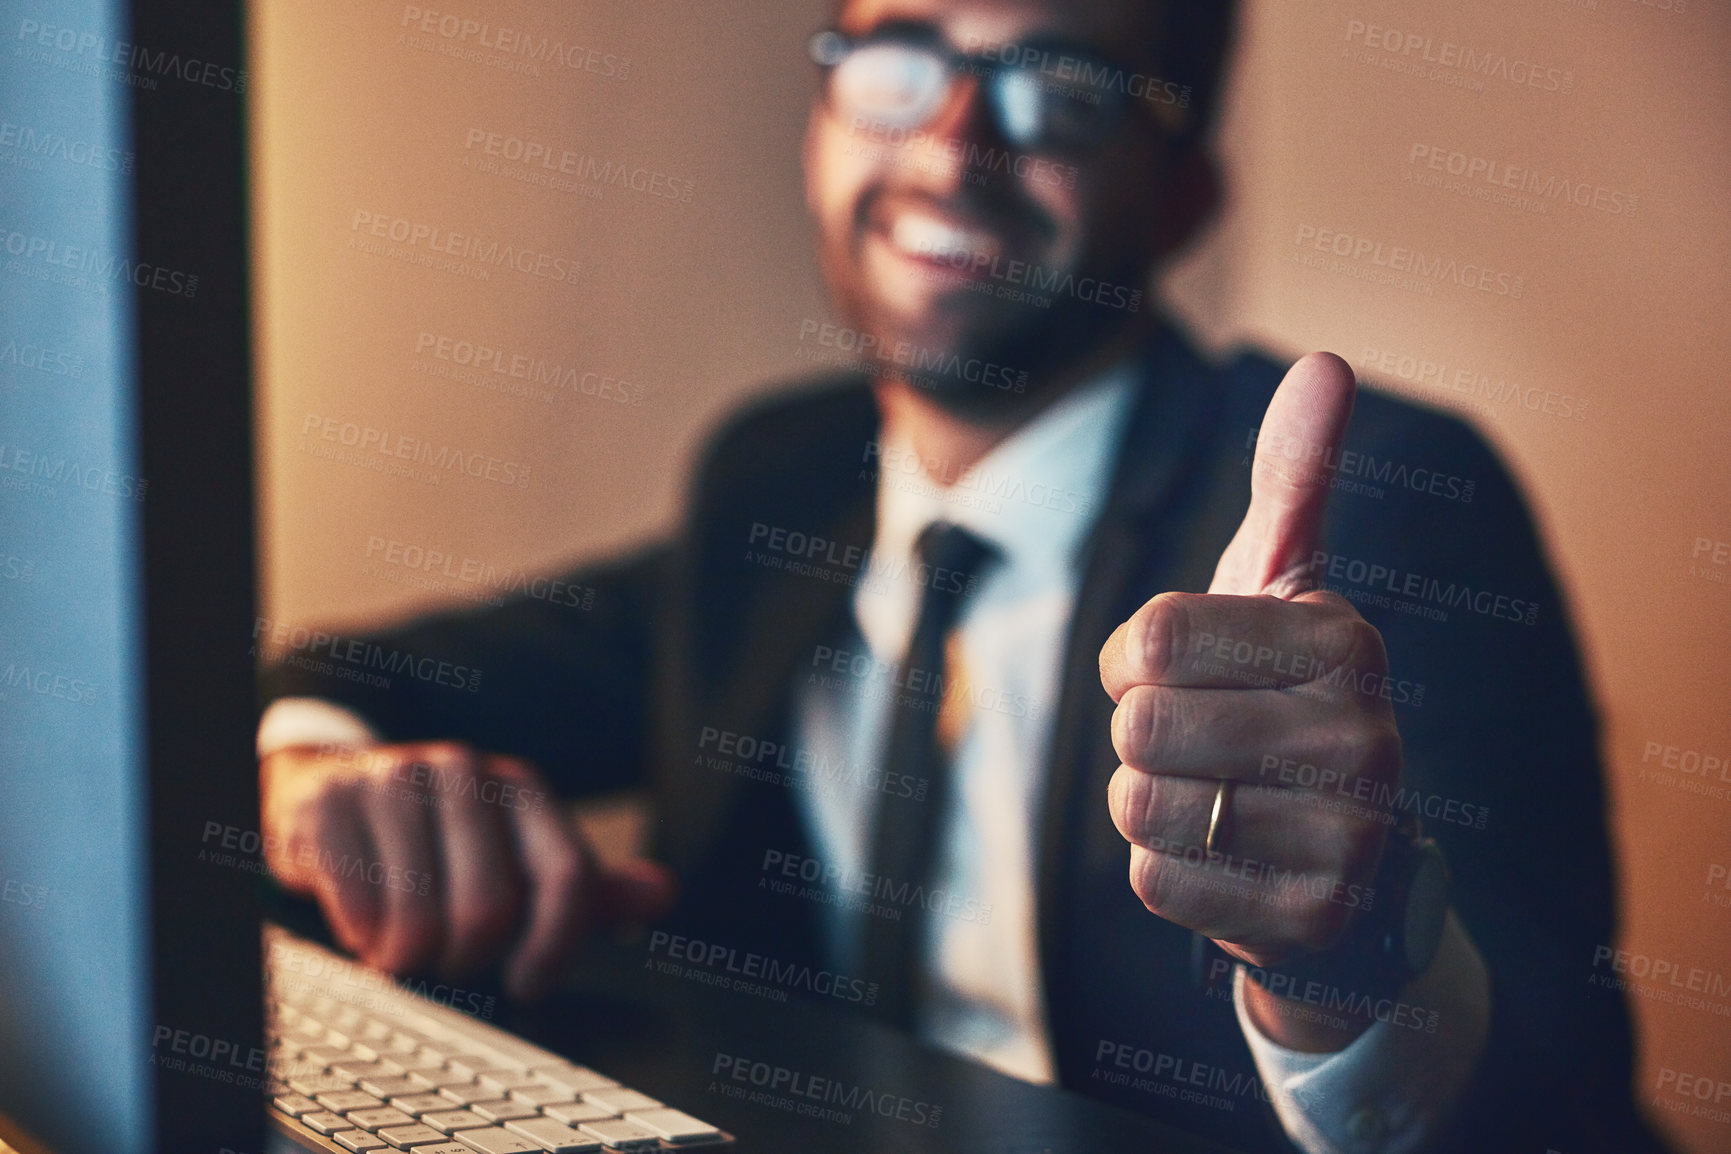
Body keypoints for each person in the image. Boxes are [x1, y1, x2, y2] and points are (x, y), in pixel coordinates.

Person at [257, 0, 1667, 1149]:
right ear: (819, 124)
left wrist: (1340, 958)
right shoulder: (777, 474)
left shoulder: (1375, 509)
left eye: (1055, 85)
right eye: (895, 56)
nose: (951, 138)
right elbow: (346, 680)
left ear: (1183, 197)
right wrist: (319, 784)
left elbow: (1560, 1102)